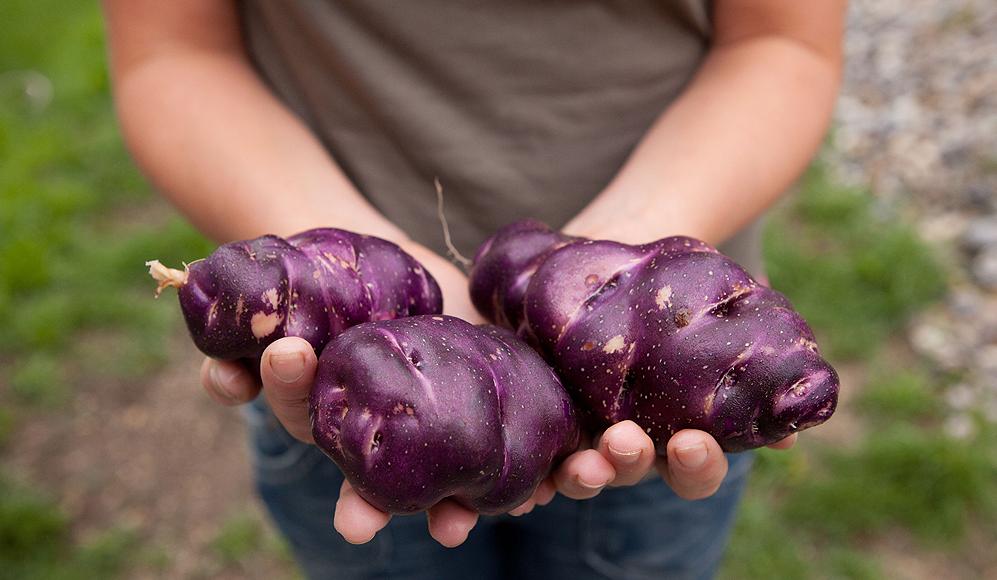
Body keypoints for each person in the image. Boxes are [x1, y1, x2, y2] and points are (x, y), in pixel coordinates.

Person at [102, 1, 844, 578]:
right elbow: (174, 52)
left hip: (679, 391)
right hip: (337, 372)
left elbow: (780, 42)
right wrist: (325, 258)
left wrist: (617, 252)